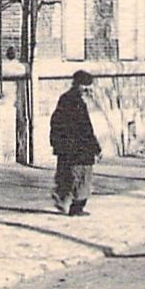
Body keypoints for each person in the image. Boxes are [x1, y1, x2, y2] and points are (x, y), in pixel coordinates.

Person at [51, 70, 102, 216]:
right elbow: (84, 128)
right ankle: (76, 207)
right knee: (82, 177)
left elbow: (56, 122)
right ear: (79, 85)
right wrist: (95, 148)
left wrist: (57, 144)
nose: (88, 89)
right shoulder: (76, 102)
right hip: (78, 148)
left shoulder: (66, 99)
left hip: (69, 147)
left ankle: (63, 198)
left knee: (68, 175)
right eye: (86, 86)